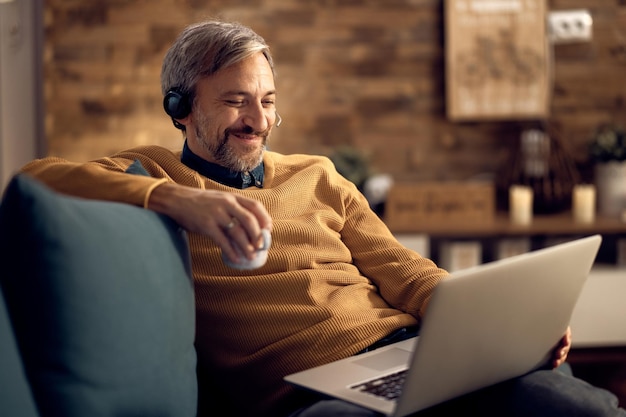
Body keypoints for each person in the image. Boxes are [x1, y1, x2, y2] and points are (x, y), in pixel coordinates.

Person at [20, 20, 625, 417]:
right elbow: (35, 177)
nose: (255, 118)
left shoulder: (318, 173)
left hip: (417, 354)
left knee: (583, 410)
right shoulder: (153, 173)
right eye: (234, 100)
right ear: (180, 108)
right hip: (313, 393)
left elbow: (402, 269)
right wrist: (176, 199)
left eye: (267, 100)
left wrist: (499, 328)